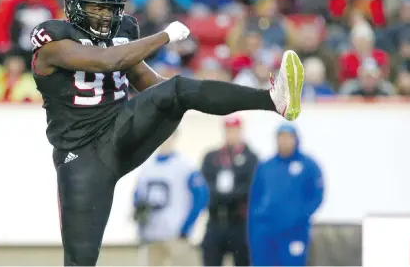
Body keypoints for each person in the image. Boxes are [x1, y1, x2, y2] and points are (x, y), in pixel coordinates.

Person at [30, 0, 305, 266]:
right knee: (80, 260)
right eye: (96, 7)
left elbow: (152, 85)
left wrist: (195, 97)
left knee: (177, 88)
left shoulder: (121, 36)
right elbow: (107, 60)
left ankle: (273, 100)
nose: (105, 17)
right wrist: (164, 36)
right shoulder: (52, 43)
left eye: (111, 9)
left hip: (122, 131)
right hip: (81, 155)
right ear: (75, 6)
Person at [248, 124, 324, 266]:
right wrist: (255, 227)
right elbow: (255, 198)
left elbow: (316, 196)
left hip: (294, 232)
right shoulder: (266, 166)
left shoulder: (308, 166)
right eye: (281, 137)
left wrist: (299, 216)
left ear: (296, 139)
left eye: (288, 137)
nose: (285, 141)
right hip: (265, 232)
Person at [133, 132, 209, 265]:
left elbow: (201, 197)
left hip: (176, 234)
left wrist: (186, 227)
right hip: (153, 234)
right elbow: (138, 197)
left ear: (174, 137)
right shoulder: (147, 166)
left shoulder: (185, 166)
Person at [201, 114, 258, 266]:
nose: (231, 134)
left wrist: (229, 196)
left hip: (238, 221)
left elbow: (249, 187)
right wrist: (221, 196)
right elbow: (205, 184)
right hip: (215, 220)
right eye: (228, 130)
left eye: (234, 130)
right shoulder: (212, 157)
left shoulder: (251, 158)